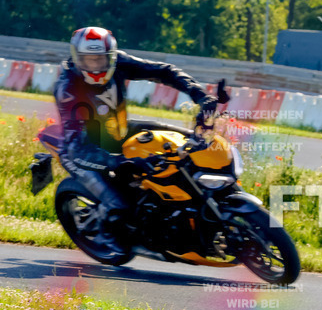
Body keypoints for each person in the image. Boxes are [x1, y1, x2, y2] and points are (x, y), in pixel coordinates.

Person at [53, 26, 219, 252]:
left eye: (100, 59)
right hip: (82, 150)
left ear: (111, 56)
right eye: (87, 60)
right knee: (119, 205)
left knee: (186, 141)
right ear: (76, 58)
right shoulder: (67, 90)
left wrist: (199, 94)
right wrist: (122, 162)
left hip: (117, 131)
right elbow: (78, 149)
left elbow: (164, 72)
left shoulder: (119, 62)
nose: (94, 66)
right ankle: (109, 236)